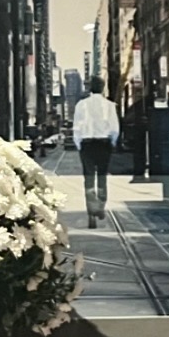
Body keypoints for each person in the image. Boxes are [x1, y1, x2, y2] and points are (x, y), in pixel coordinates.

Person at [72, 75, 118, 228]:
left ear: (90, 88)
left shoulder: (81, 105)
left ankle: (91, 212)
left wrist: (79, 144)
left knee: (89, 178)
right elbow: (114, 129)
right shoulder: (110, 105)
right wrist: (112, 142)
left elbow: (76, 128)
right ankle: (100, 207)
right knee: (102, 177)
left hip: (87, 144)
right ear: (103, 87)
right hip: (104, 143)